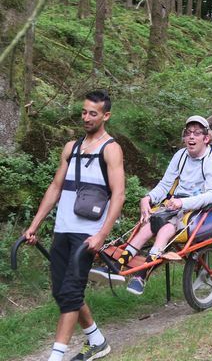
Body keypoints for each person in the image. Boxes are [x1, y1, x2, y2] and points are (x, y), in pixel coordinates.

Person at [24, 90, 125, 361]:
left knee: (71, 291)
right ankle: (97, 340)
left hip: (87, 234)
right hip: (62, 228)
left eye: (93, 113)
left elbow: (119, 194)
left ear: (106, 116)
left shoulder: (111, 149)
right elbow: (56, 187)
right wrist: (34, 225)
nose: (87, 117)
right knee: (61, 290)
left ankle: (55, 357)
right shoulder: (72, 147)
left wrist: (102, 234)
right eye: (84, 112)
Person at [91, 115, 212, 295]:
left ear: (206, 138)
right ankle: (116, 265)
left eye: (197, 133)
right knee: (147, 225)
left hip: (198, 207)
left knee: (165, 229)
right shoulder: (180, 155)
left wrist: (181, 202)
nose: (191, 137)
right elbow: (165, 184)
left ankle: (141, 275)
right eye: (188, 133)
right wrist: (148, 198)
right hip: (174, 204)